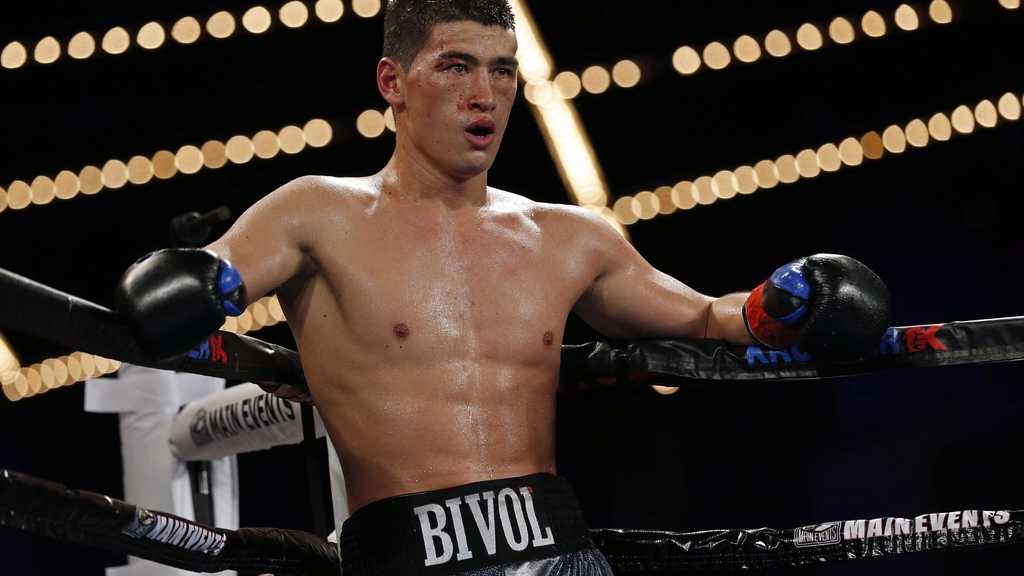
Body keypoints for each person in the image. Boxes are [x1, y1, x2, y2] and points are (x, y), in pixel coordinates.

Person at [113, 1, 889, 573]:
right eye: (456, 66)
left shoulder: (568, 236)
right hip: (408, 557)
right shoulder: (316, 213)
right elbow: (197, 280)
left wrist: (786, 302)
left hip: (559, 550)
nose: (484, 94)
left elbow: (711, 319)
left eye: (502, 70)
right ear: (392, 81)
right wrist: (187, 282)